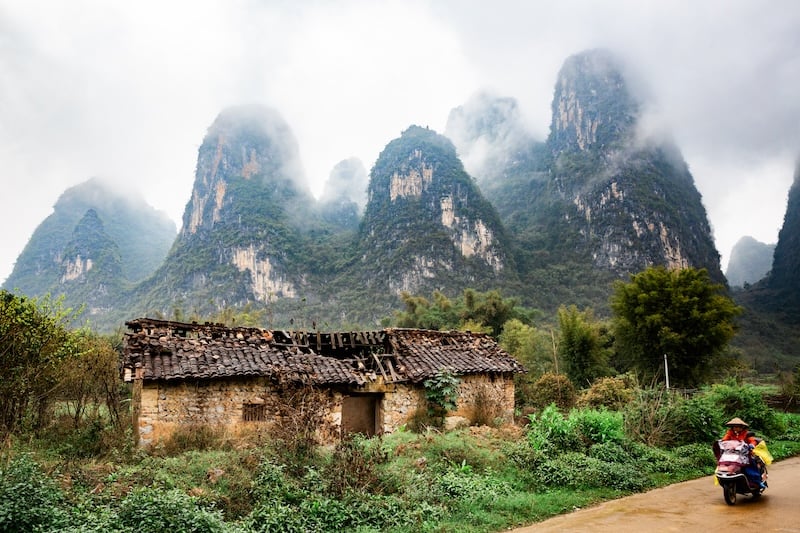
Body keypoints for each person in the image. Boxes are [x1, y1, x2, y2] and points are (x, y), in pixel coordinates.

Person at [722, 417, 766, 489]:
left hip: (745, 453)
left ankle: (757, 482)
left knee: (750, 465)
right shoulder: (730, 433)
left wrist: (751, 445)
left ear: (742, 427)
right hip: (733, 453)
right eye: (734, 427)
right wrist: (722, 443)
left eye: (737, 427)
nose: (735, 428)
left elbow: (752, 440)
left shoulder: (746, 433)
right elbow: (724, 440)